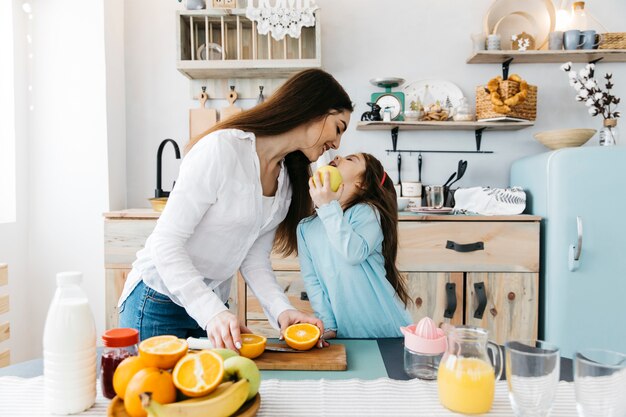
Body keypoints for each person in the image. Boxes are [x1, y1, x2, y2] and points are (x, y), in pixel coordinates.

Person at [118, 69, 353, 351]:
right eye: (338, 127)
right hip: (158, 299)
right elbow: (165, 244)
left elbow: (253, 258)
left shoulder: (288, 180)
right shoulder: (223, 149)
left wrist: (282, 310)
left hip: (211, 306)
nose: (337, 144)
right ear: (314, 109)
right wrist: (212, 312)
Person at [296, 153, 412, 339]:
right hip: (345, 333)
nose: (339, 157)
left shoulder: (367, 212)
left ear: (363, 183)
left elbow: (353, 253)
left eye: (350, 159)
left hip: (386, 331)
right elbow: (313, 281)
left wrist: (326, 207)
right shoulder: (306, 227)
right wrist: (328, 325)